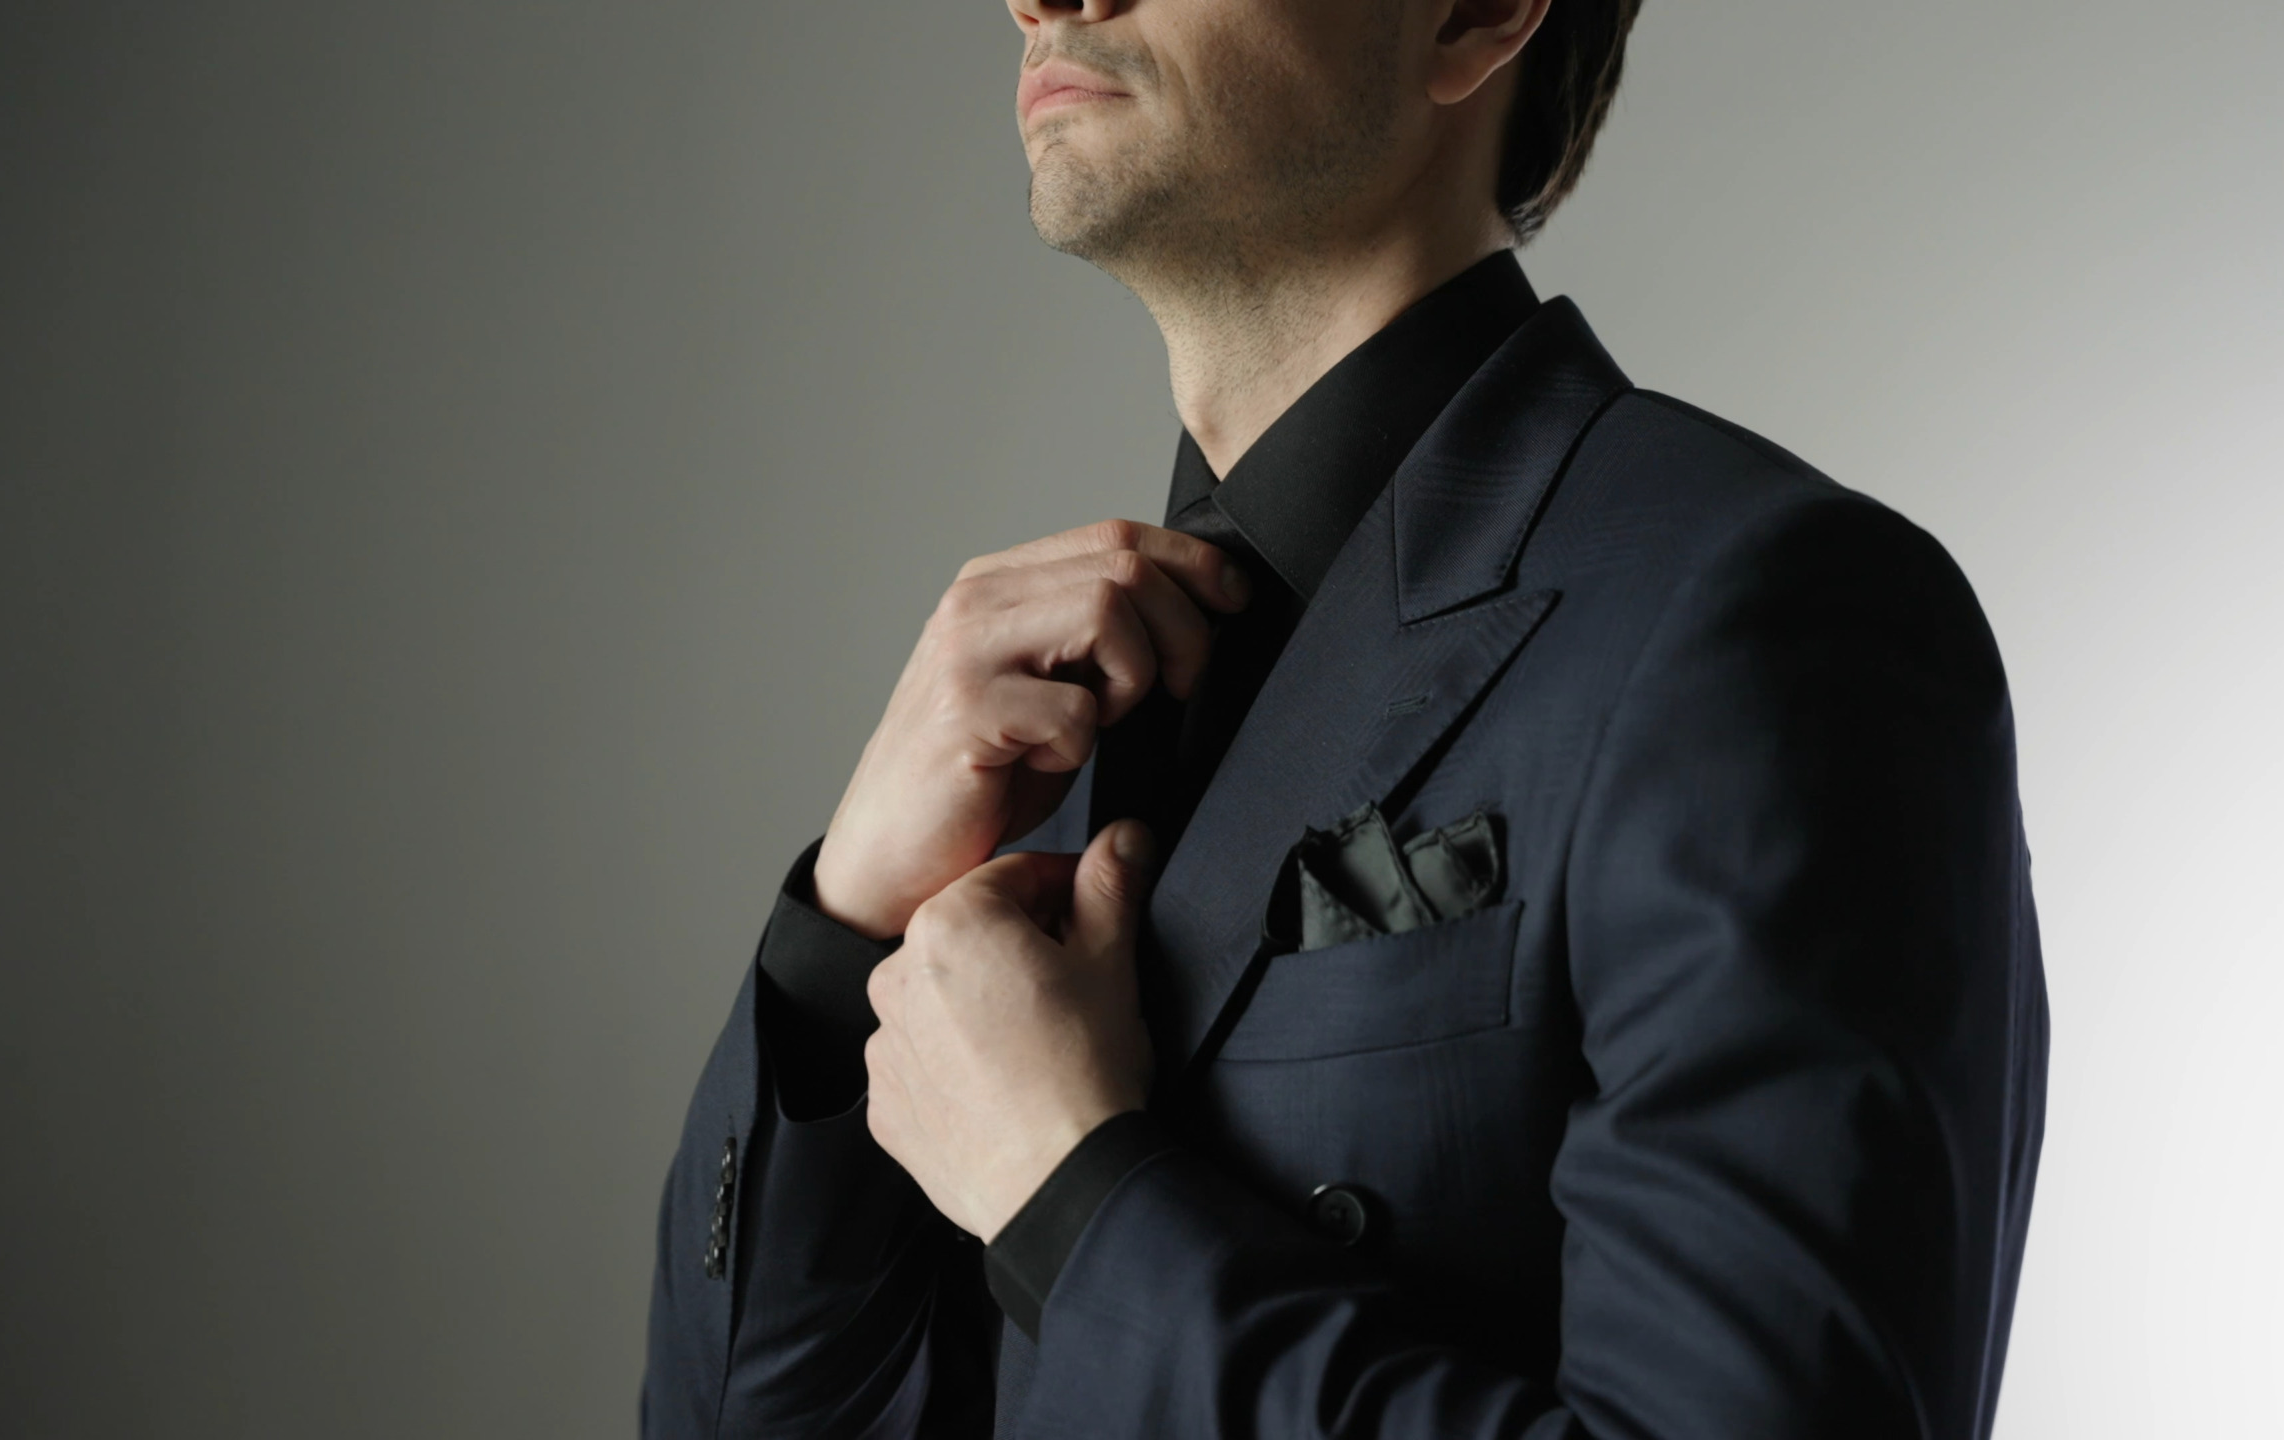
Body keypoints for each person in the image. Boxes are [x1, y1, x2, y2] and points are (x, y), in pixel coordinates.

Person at [642, 0, 2048, 1435]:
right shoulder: (1033, 734)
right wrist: (839, 940)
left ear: (1476, 14)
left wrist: (1068, 1197)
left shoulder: (1769, 617)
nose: (1045, 0)